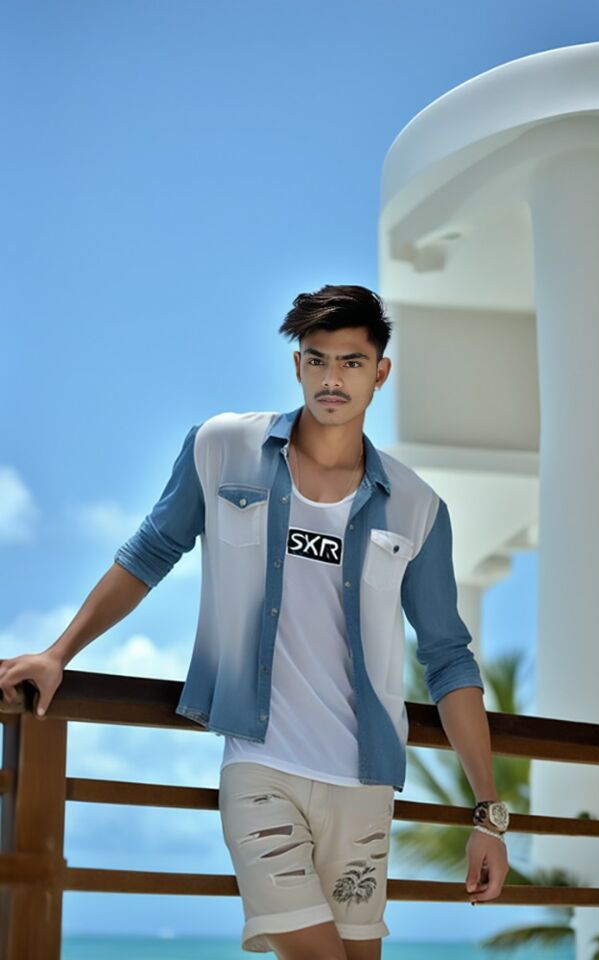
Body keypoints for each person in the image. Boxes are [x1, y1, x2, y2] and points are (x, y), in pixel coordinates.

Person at [0, 284, 510, 959]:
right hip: (261, 771)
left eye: (352, 362)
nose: (332, 379)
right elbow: (151, 552)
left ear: (381, 372)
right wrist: (58, 652)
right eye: (316, 359)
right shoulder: (223, 448)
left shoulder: (417, 507)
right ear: (297, 365)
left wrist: (489, 815)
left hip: (363, 785)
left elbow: (447, 658)